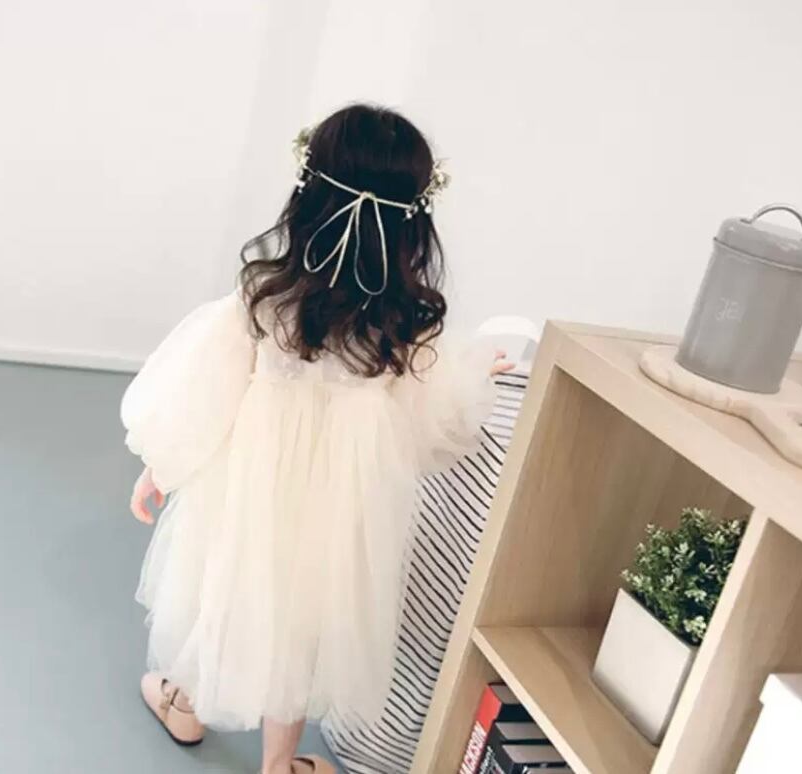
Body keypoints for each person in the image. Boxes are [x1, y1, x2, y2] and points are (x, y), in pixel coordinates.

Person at [121, 103, 512, 774]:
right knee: (300, 633)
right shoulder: (406, 325)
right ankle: (279, 764)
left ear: (308, 197)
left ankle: (184, 701)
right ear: (413, 223)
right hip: (339, 516)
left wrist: (162, 464)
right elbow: (432, 431)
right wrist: (477, 374)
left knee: (221, 593)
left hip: (249, 496)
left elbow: (203, 399)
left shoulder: (264, 300)